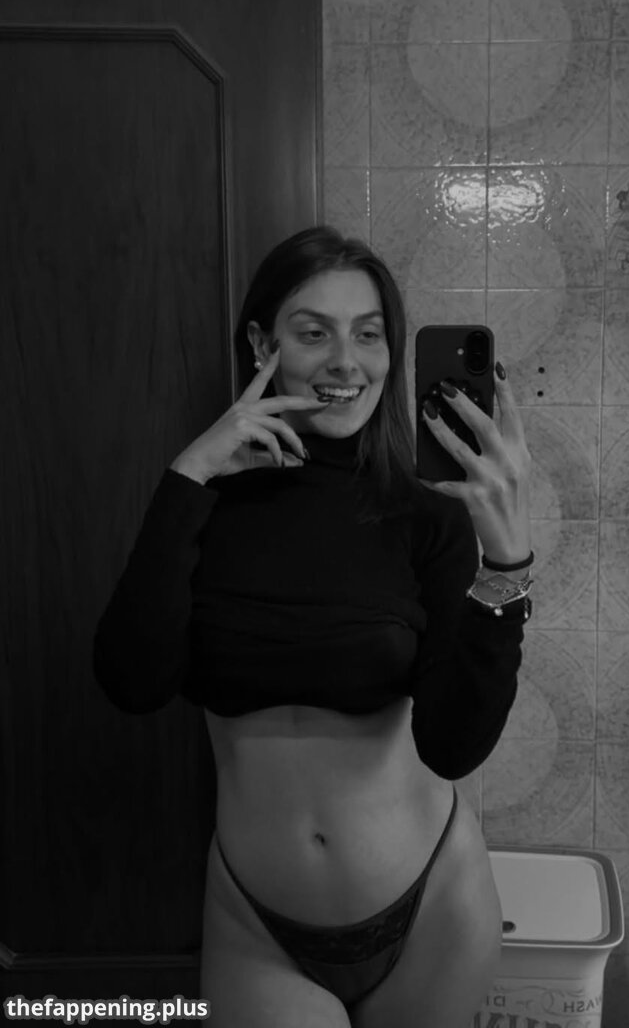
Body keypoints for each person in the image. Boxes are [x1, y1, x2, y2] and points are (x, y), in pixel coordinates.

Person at [93, 226, 533, 1028]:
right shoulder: (203, 504)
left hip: (432, 904)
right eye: (313, 333)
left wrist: (505, 564)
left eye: (368, 335)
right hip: (256, 924)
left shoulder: (426, 513)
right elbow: (132, 682)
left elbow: (453, 745)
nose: (345, 363)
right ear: (263, 344)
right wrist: (188, 477)